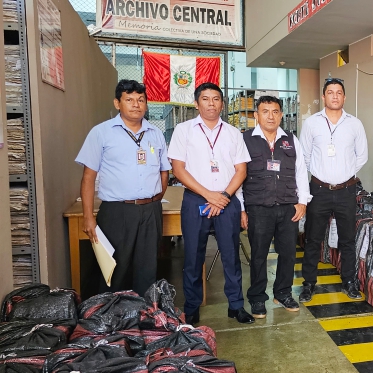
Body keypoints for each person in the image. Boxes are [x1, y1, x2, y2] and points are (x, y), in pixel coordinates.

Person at [168, 82, 254, 325]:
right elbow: (178, 169)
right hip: (197, 200)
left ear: (222, 104)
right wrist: (209, 195)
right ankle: (192, 307)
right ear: (196, 103)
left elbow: (241, 170)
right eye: (205, 99)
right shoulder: (184, 131)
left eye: (216, 99)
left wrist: (224, 196)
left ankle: (236, 306)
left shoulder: (233, 133)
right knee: (193, 257)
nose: (211, 104)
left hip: (227, 201)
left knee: (231, 256)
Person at [76, 79, 170, 296]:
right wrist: (88, 216)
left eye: (140, 100)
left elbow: (164, 172)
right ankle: (111, 318)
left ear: (146, 104)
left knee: (147, 269)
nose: (136, 104)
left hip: (150, 212)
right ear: (118, 103)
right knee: (115, 268)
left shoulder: (155, 134)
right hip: (117, 211)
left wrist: (155, 199)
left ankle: (143, 318)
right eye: (129, 100)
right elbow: (88, 178)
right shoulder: (101, 133)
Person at [240, 96, 311, 318]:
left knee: (288, 253)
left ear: (281, 115)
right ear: (256, 115)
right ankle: (257, 297)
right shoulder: (244, 140)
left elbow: (301, 171)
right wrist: (242, 208)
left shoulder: (291, 140)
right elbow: (238, 175)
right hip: (258, 207)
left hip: (288, 206)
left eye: (275, 111)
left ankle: (283, 292)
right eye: (265, 111)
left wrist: (302, 202)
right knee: (259, 254)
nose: (270, 116)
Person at [298, 78, 368, 302]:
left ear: (344, 97)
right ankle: (308, 283)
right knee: (313, 239)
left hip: (347, 191)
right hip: (318, 190)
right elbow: (304, 157)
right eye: (330, 92)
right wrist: (322, 174)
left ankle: (349, 282)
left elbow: (362, 156)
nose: (335, 96)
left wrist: (345, 174)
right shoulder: (312, 123)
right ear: (324, 96)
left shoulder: (354, 124)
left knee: (347, 240)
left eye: (339, 92)